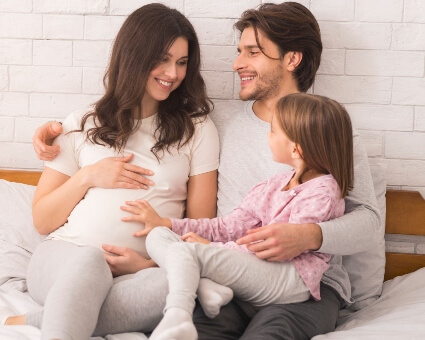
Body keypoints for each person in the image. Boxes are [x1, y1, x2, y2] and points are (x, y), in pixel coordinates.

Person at [30, 2, 381, 339]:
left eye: (252, 52)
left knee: (270, 333)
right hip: (228, 278)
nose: (236, 64)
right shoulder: (218, 122)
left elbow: (368, 222)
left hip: (304, 285)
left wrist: (309, 236)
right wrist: (53, 136)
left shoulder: (330, 130)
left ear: (292, 59)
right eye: (239, 51)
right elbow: (130, 121)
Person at [5, 3, 220, 339]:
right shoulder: (83, 122)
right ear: (134, 57)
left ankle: (40, 322)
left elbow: (200, 229)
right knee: (90, 263)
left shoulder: (197, 129)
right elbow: (43, 219)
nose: (173, 73)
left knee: (181, 286)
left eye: (181, 62)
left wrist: (150, 264)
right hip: (65, 257)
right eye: (162, 59)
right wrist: (89, 176)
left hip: (141, 273)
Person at [121, 93, 354, 340]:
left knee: (186, 252)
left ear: (295, 148)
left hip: (289, 278)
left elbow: (277, 249)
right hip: (257, 270)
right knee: (158, 236)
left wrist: (214, 250)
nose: (268, 136)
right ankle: (204, 285)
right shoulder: (274, 185)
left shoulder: (322, 193)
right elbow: (230, 226)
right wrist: (168, 224)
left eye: (273, 131)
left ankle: (177, 314)